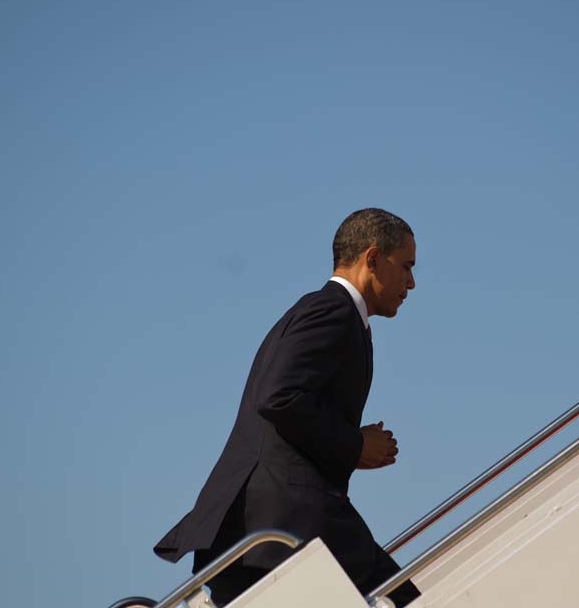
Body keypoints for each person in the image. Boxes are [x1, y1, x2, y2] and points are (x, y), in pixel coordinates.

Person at [153, 208, 421, 606]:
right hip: (280, 525)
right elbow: (278, 396)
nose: (411, 282)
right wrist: (355, 445)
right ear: (372, 258)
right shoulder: (333, 311)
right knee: (403, 599)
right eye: (406, 266)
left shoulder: (333, 314)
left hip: (261, 528)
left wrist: (352, 449)